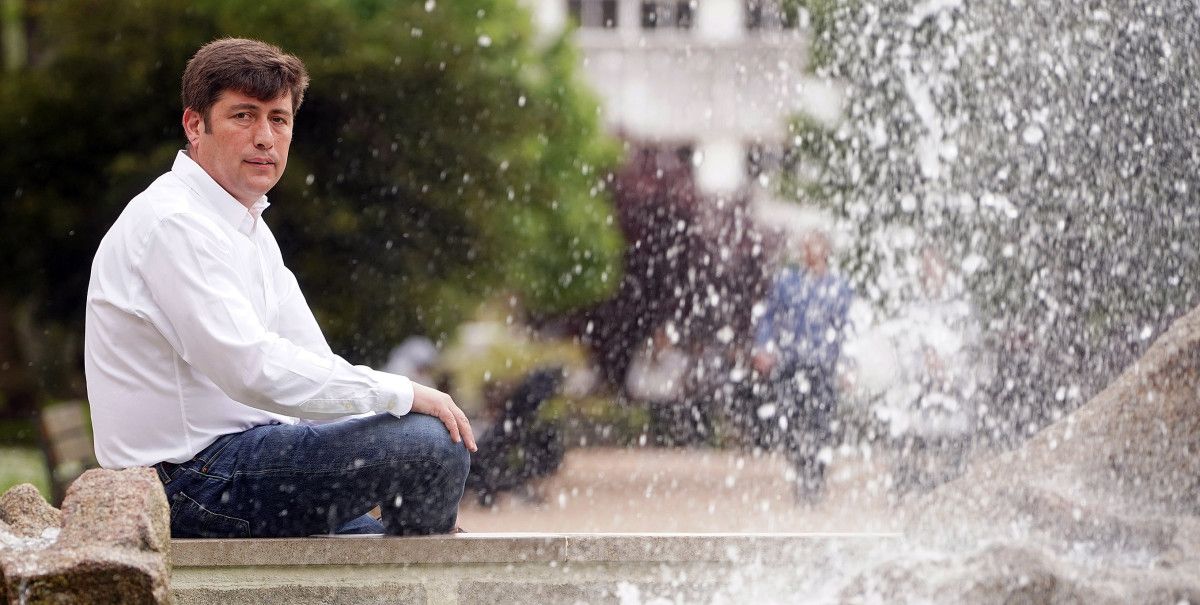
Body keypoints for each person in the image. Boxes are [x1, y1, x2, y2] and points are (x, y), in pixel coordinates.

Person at [84, 38, 475, 538]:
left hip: (241, 465)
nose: (265, 137)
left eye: (279, 119)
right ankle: (425, 575)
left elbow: (308, 358)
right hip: (185, 484)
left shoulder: (244, 225)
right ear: (194, 125)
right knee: (432, 444)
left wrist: (381, 409)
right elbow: (251, 368)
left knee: (404, 496)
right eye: (243, 116)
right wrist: (402, 393)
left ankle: (420, 576)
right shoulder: (172, 223)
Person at [751, 230, 853, 501]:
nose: (809, 250)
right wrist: (763, 346)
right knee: (790, 422)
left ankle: (815, 478)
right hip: (791, 364)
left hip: (823, 366)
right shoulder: (787, 282)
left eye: (815, 245)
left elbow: (847, 328)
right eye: (806, 245)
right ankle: (801, 469)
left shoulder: (839, 287)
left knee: (821, 425)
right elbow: (769, 317)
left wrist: (848, 364)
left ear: (825, 250)